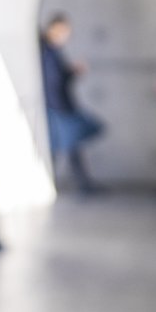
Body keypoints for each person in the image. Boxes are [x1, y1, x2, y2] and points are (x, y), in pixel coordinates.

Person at [40, 13, 104, 193]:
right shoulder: (48, 52)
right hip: (58, 107)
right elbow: (54, 82)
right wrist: (72, 72)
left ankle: (84, 185)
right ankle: (83, 185)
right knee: (66, 146)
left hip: (59, 106)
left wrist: (71, 72)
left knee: (68, 147)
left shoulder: (52, 51)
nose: (66, 35)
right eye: (64, 31)